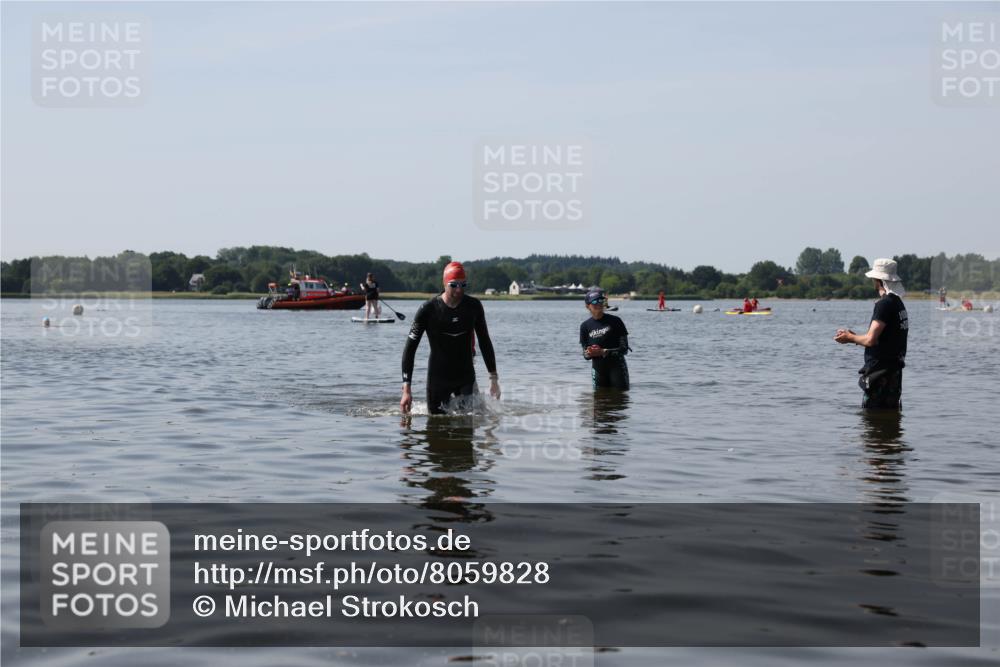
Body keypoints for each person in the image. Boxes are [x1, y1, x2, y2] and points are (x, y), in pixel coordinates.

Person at [400, 261, 500, 415]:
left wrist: (493, 379)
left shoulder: (473, 307)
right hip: (438, 378)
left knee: (470, 424)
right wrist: (406, 389)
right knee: (435, 427)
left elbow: (485, 341)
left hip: (465, 376)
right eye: (454, 285)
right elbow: (410, 348)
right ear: (445, 283)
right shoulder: (428, 309)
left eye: (463, 285)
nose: (459, 290)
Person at [834, 258, 908, 409]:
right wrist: (855, 338)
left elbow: (871, 340)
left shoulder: (884, 304)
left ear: (878, 279)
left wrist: (849, 337)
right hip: (894, 373)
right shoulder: (898, 303)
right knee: (890, 421)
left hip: (880, 374)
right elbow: (882, 338)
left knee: (872, 421)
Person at [580, 287, 630, 390]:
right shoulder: (585, 326)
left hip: (617, 368)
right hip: (598, 369)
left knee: (621, 400)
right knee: (598, 402)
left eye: (601, 300)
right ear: (587, 306)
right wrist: (589, 353)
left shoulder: (616, 321)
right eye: (595, 301)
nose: (599, 303)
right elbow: (585, 354)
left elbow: (624, 349)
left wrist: (604, 351)